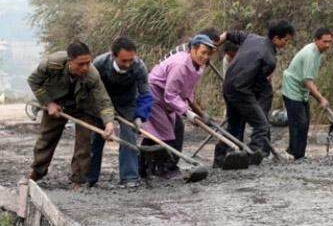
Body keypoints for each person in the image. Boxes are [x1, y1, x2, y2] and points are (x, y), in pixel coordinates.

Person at [27, 41, 115, 189]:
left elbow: (104, 101)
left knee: (84, 143)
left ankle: (78, 180)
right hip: (56, 104)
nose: (85, 67)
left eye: (88, 63)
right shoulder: (52, 64)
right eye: (80, 64)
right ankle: (37, 172)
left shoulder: (92, 75)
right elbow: (34, 81)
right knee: (46, 138)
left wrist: (109, 123)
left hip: (83, 107)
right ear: (69, 61)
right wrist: (48, 103)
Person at [213, 20, 295, 167]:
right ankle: (251, 156)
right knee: (262, 124)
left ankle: (219, 159)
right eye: (286, 40)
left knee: (233, 126)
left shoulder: (251, 38)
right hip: (241, 91)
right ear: (276, 38)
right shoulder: (270, 59)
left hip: (228, 87)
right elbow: (258, 85)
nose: (286, 43)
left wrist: (214, 44)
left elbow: (228, 34)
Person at [140, 34, 215, 178]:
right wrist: (187, 112)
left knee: (174, 128)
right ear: (193, 49)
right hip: (154, 95)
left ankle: (146, 167)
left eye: (208, 54)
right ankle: (164, 169)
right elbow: (171, 95)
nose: (205, 57)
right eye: (203, 53)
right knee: (165, 133)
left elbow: (187, 91)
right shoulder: (180, 65)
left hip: (166, 97)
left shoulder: (198, 66)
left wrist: (198, 113)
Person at [88, 37, 152, 187]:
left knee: (129, 136)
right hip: (102, 102)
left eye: (131, 60)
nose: (128, 64)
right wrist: (104, 117)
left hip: (127, 103)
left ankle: (130, 178)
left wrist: (140, 116)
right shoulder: (99, 64)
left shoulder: (139, 66)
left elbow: (145, 94)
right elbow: (90, 90)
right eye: (124, 61)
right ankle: (89, 177)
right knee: (95, 138)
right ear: (113, 55)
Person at [281, 27, 333, 159]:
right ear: (316, 40)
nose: (327, 45)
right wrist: (321, 99)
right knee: (299, 122)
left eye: (330, 42)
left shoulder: (318, 53)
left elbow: (308, 79)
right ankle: (296, 154)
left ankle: (297, 153)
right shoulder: (310, 53)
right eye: (325, 41)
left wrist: (315, 95)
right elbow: (307, 81)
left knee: (304, 122)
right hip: (292, 89)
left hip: (301, 89)